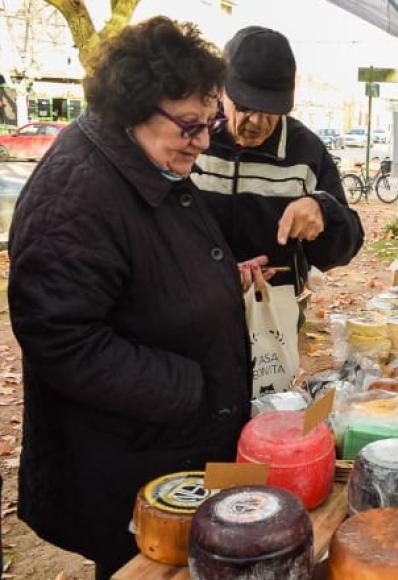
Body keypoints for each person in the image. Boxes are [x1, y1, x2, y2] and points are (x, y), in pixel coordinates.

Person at [8, 18, 255, 578]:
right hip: (130, 455)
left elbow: (153, 265)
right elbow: (63, 340)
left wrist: (214, 282)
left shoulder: (144, 156)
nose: (204, 140)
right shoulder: (75, 194)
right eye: (191, 126)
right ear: (134, 108)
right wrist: (187, 387)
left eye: (210, 121)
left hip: (170, 444)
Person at [192, 26, 363, 298]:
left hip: (273, 315)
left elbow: (347, 243)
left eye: (271, 109)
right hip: (193, 303)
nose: (258, 122)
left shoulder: (306, 149)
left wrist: (324, 212)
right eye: (245, 106)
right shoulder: (190, 136)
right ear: (222, 90)